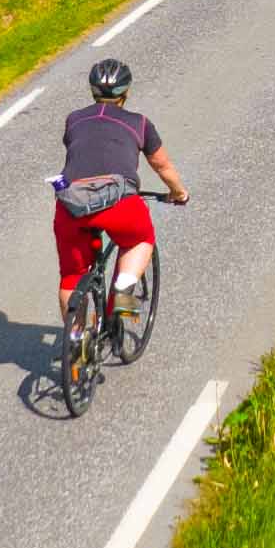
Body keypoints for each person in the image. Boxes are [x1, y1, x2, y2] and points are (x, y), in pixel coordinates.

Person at [51, 57, 186, 349]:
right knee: (141, 239)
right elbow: (162, 166)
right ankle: (124, 295)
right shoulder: (139, 123)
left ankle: (77, 342)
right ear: (126, 92)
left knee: (72, 276)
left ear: (91, 90)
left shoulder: (74, 119)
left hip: (71, 205)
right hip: (119, 204)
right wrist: (178, 193)